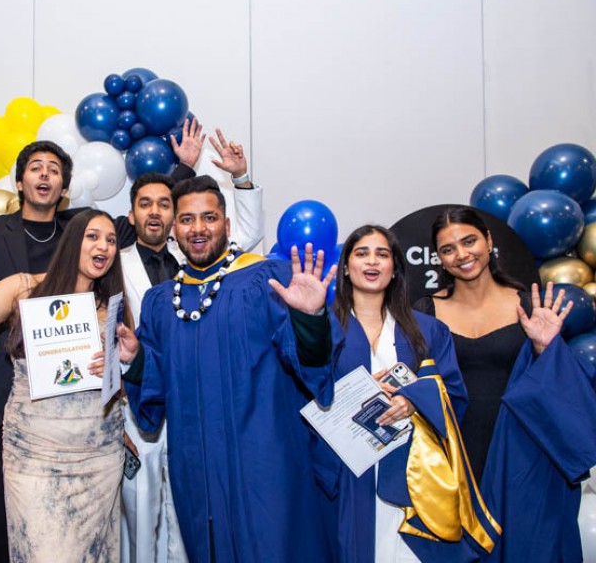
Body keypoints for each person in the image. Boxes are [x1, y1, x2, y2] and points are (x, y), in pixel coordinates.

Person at [0, 118, 225, 563]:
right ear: (18, 178)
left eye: (54, 169)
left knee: (117, 539)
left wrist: (183, 169)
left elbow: (153, 216)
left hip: (104, 419)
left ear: (66, 187)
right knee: (10, 528)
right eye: (36, 167)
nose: (99, 244)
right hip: (26, 419)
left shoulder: (95, 247)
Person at [119, 176, 337, 562]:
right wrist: (135, 359)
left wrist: (310, 317)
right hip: (195, 470)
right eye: (186, 220)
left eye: (209, 218)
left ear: (227, 224)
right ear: (174, 230)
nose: (198, 229)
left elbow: (311, 367)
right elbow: (155, 390)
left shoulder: (267, 280)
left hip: (265, 461)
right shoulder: (159, 303)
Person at [0, 203, 131, 561]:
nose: (103, 247)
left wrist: (123, 364)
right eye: (92, 236)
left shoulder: (112, 306)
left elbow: (118, 387)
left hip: (99, 460)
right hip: (35, 457)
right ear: (72, 240)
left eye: (109, 240)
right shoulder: (24, 288)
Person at [414, 206, 596, 562]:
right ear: (439, 258)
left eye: (470, 241)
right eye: (448, 249)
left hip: (524, 457)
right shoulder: (424, 312)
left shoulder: (530, 306)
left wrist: (546, 347)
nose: (462, 254)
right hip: (455, 460)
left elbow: (565, 391)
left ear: (489, 242)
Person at [313, 224, 500, 563]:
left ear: (395, 267)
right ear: (345, 266)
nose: (373, 262)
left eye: (382, 254)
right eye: (362, 253)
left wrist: (413, 399)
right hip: (346, 472)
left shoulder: (427, 330)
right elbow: (301, 389)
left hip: (411, 471)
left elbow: (453, 393)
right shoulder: (322, 330)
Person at [119, 130, 260, 563]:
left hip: (194, 404)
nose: (157, 212)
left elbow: (246, 235)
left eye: (166, 204)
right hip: (138, 401)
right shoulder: (113, 260)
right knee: (141, 512)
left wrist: (242, 179)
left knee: (188, 515)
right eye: (146, 204)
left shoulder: (195, 254)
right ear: (131, 214)